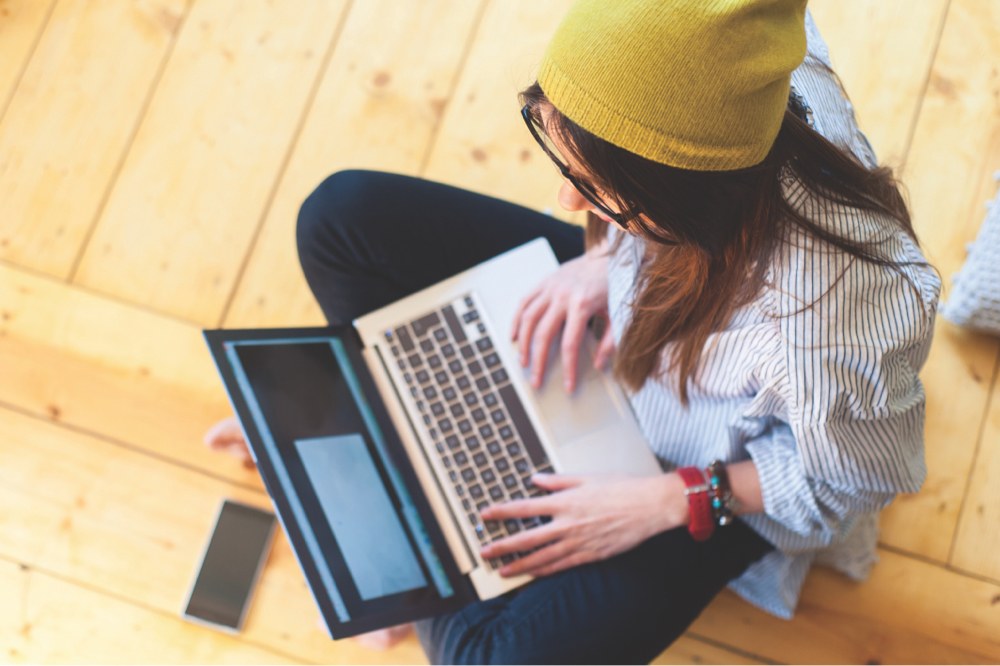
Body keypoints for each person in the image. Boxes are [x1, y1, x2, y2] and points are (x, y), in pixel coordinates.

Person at [206, 0, 941, 662]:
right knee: (338, 219)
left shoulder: (837, 330)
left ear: (681, 203)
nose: (564, 199)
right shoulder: (747, 54)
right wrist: (607, 256)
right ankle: (401, 446)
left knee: (482, 660)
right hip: (640, 305)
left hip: (698, 464)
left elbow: (856, 479)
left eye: (592, 189)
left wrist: (668, 501)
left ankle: (391, 479)